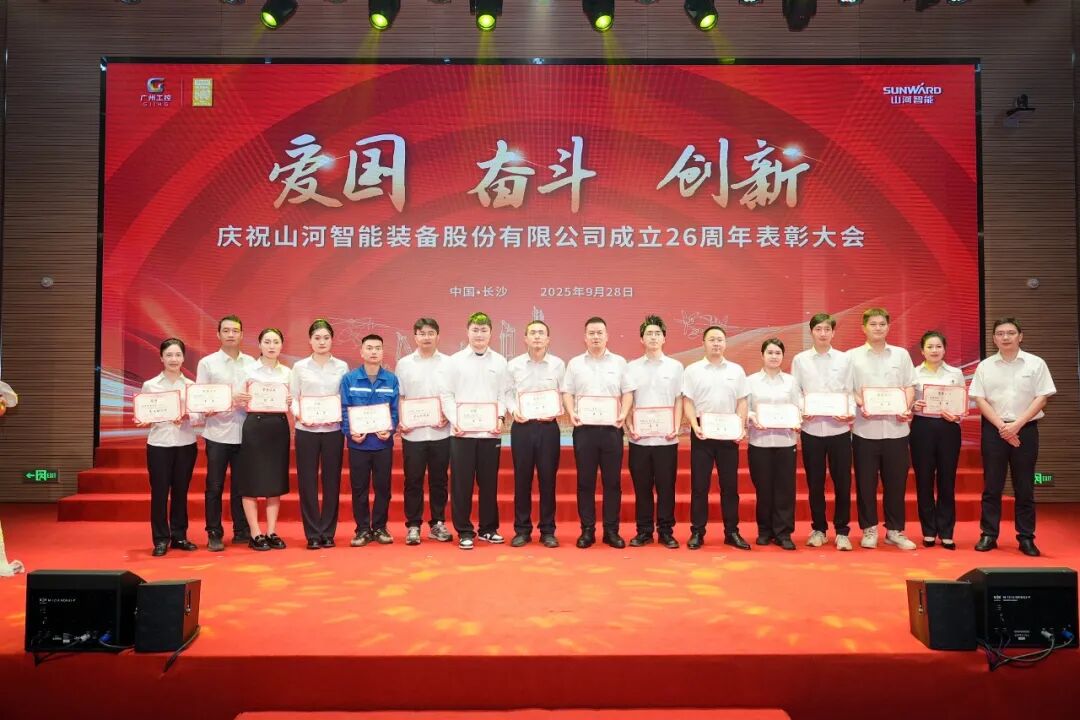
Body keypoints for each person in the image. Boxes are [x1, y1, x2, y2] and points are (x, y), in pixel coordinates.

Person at [970, 317, 1056, 557]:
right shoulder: (985, 366)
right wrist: (1003, 427)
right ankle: (988, 534)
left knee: (1025, 486)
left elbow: (1042, 397)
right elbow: (980, 399)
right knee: (992, 485)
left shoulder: (1035, 363)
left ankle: (1026, 537)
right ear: (994, 338)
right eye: (1000, 333)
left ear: (1020, 336)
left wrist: (1017, 425)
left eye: (1010, 333)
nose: (1005, 337)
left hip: (1025, 429)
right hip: (994, 430)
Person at [562, 316, 636, 549]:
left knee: (612, 482)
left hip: (612, 430)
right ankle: (587, 530)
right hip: (584, 430)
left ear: (607, 336)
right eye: (591, 333)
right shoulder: (575, 363)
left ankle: (611, 531)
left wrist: (623, 413)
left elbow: (628, 392)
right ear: (585, 337)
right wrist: (571, 412)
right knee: (585, 482)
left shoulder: (620, 362)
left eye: (599, 333)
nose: (596, 337)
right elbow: (567, 392)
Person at [848, 308, 916, 551]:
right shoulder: (852, 356)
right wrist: (862, 404)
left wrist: (905, 406)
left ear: (888, 327)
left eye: (882, 324)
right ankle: (869, 529)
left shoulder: (901, 355)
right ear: (863, 328)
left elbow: (910, 385)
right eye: (873, 324)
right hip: (864, 430)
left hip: (897, 430)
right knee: (865, 484)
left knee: (896, 483)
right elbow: (848, 389)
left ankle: (895, 531)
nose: (878, 328)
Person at [441, 312, 509, 550]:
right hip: (462, 433)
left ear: (491, 333)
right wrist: (455, 420)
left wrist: (500, 417)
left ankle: (488, 529)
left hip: (490, 432)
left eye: (484, 330)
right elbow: (446, 394)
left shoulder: (500, 362)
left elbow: (503, 395)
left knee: (489, 483)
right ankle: (464, 531)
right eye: (475, 330)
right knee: (461, 484)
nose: (479, 335)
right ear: (467, 332)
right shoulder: (454, 361)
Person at [791, 312, 856, 551]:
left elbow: (850, 390)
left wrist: (849, 412)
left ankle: (842, 531)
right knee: (815, 482)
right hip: (812, 429)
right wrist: (802, 410)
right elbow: (796, 391)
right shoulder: (800, 360)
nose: (823, 333)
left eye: (827, 329)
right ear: (811, 332)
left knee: (842, 482)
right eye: (818, 329)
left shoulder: (844, 359)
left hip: (839, 430)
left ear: (833, 332)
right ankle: (818, 529)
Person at [682, 326, 750, 551]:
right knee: (699, 486)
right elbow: (688, 401)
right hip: (702, 431)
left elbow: (742, 401)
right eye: (712, 339)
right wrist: (694, 426)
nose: (716, 343)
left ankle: (732, 532)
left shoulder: (736, 370)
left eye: (720, 339)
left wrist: (741, 427)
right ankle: (697, 532)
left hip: (729, 432)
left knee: (729, 486)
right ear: (703, 343)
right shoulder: (692, 370)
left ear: (725, 343)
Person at [195, 315, 255, 551]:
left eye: (235, 331)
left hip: (244, 433)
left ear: (242, 335)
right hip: (217, 433)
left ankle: (242, 530)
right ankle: (214, 532)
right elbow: (200, 397)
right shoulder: (207, 363)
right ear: (218, 334)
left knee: (242, 486)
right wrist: (229, 399)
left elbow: (258, 394)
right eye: (226, 330)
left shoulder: (251, 363)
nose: (231, 334)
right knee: (214, 486)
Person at [625, 315, 683, 549]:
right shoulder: (631, 367)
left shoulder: (675, 367)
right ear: (641, 339)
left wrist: (676, 426)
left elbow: (679, 399)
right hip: (639, 440)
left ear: (664, 338)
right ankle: (644, 531)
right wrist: (629, 424)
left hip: (666, 439)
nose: (653, 337)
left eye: (657, 333)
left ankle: (666, 531)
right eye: (649, 333)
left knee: (666, 487)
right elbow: (627, 399)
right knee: (642, 488)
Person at [506, 320, 565, 548]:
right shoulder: (514, 365)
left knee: (548, 479)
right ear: (525, 338)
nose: (537, 336)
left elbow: (564, 393)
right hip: (522, 427)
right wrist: (514, 410)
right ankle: (522, 530)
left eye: (541, 333)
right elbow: (507, 393)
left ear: (548, 339)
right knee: (522, 479)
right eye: (533, 333)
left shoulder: (558, 365)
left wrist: (558, 409)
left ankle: (548, 530)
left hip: (548, 427)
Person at [290, 319, 349, 550]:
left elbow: (344, 398)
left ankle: (328, 532)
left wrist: (340, 415)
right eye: (317, 338)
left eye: (326, 338)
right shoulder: (299, 367)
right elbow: (293, 398)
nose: (322, 342)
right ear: (310, 341)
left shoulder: (342, 366)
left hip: (333, 430)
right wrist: (300, 415)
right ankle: (313, 533)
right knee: (308, 481)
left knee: (332, 481)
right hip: (307, 430)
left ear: (332, 340)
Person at [138, 338, 199, 557]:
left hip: (185, 443)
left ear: (183, 358)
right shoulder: (150, 385)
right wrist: (144, 418)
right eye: (169, 355)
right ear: (161, 358)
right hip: (159, 445)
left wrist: (188, 416)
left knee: (181, 492)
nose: (174, 359)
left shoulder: (191, 386)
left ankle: (179, 536)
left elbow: (199, 415)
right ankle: (160, 539)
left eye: (178, 355)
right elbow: (145, 413)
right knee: (160, 493)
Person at [396, 318, 453, 545]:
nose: (426, 337)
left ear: (438, 336)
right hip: (414, 434)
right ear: (415, 337)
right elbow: (401, 396)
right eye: (422, 333)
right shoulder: (404, 364)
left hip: (441, 432)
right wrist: (403, 419)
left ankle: (438, 523)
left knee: (440, 480)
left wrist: (447, 416)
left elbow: (453, 395)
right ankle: (413, 525)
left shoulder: (449, 363)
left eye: (430, 333)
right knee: (413, 480)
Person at [341, 334, 400, 547]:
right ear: (362, 352)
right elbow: (344, 408)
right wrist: (350, 432)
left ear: (383, 352)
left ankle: (380, 527)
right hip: (359, 444)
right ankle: (363, 529)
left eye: (377, 348)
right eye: (369, 348)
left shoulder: (391, 379)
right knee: (359, 488)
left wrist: (390, 429)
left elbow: (395, 409)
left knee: (383, 488)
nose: (373, 352)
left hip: (382, 444)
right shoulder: (349, 379)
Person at [236, 328, 292, 551]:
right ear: (259, 345)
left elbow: (295, 400)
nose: (271, 346)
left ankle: (271, 531)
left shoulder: (288, 373)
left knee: (274, 481)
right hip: (254, 427)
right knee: (251, 480)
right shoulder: (247, 370)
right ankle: (255, 533)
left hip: (278, 427)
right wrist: (239, 398)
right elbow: (236, 398)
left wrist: (292, 400)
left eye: (276, 342)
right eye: (267, 342)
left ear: (281, 345)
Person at [910, 331, 966, 550]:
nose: (934, 350)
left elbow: (961, 403)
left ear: (945, 349)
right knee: (924, 480)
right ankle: (928, 530)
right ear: (922, 351)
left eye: (938, 346)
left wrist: (957, 416)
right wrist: (913, 406)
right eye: (930, 347)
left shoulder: (955, 373)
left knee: (947, 480)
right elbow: (908, 403)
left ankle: (947, 531)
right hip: (922, 428)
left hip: (948, 429)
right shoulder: (913, 374)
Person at [747, 338, 802, 551]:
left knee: (785, 489)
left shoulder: (791, 381)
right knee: (764, 488)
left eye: (778, 353)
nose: (773, 356)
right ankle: (764, 531)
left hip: (785, 441)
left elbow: (797, 406)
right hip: (759, 441)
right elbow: (745, 409)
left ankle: (784, 533)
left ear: (782, 356)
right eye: (770, 352)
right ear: (762, 355)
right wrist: (753, 417)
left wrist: (797, 420)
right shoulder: (750, 381)